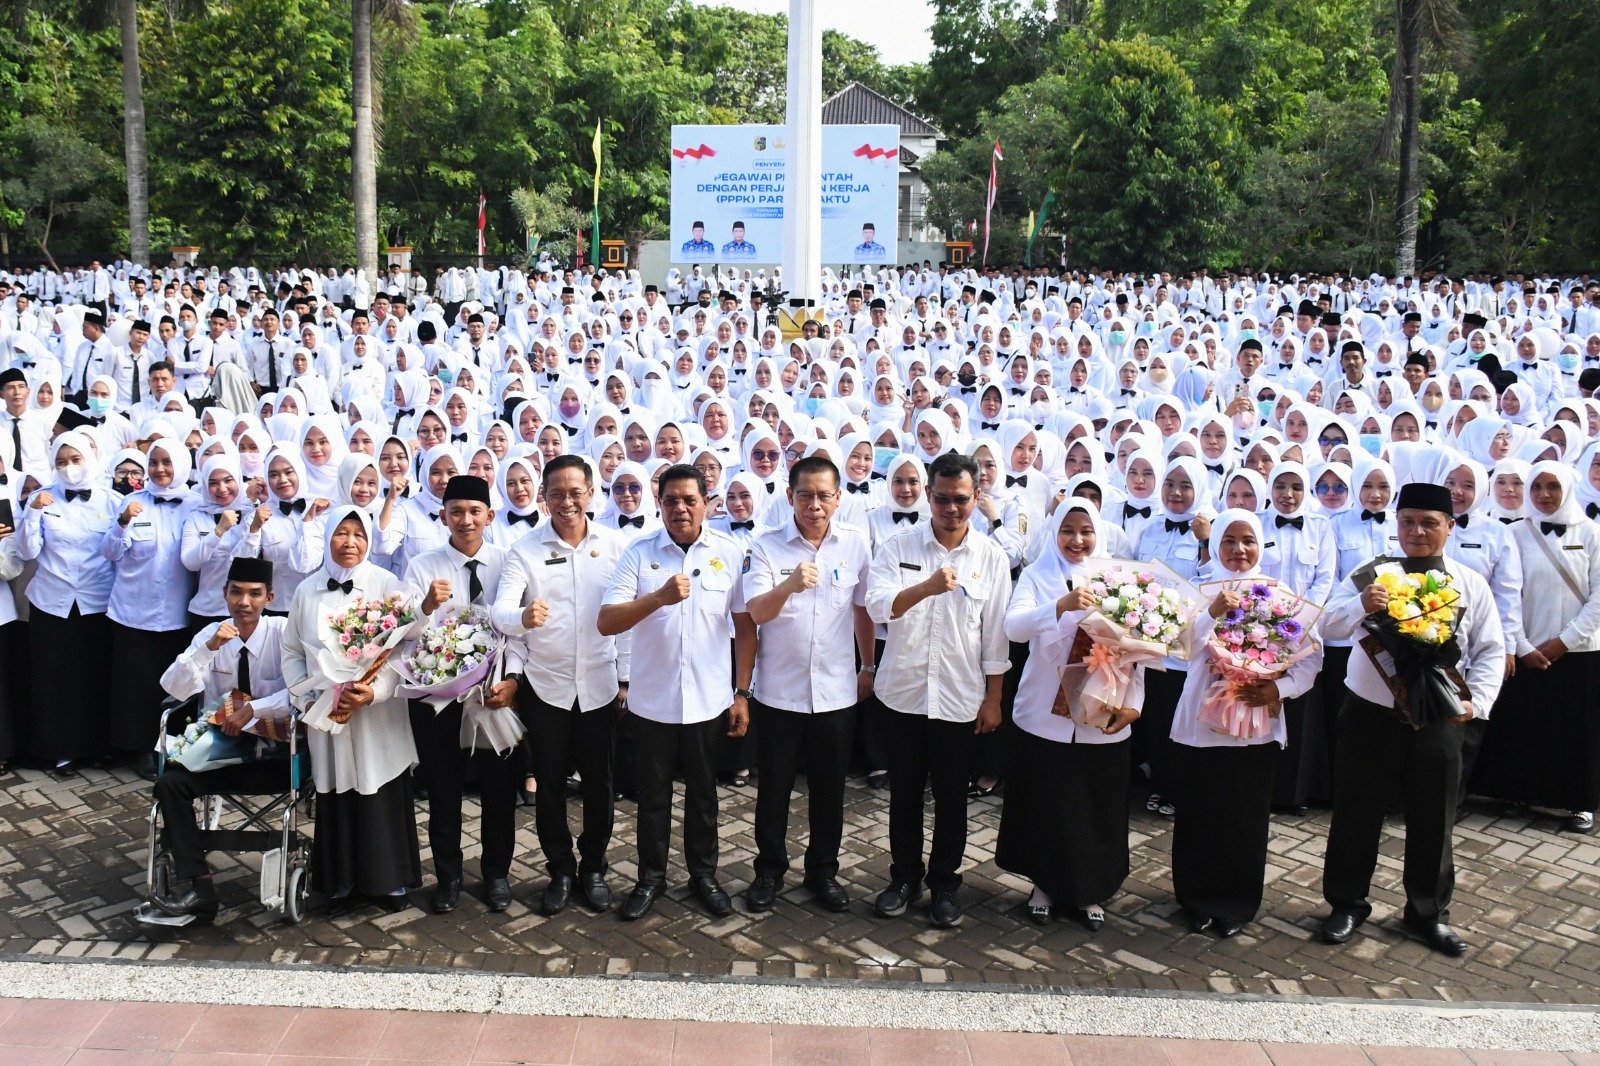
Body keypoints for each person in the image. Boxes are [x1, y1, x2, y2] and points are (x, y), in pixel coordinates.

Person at [1317, 482, 1506, 956]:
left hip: (1439, 716)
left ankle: (1427, 913)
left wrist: (1475, 703)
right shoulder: (1372, 575)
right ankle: (1346, 903)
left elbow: (1489, 649)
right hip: (1370, 713)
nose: (1417, 532)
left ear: (1450, 526)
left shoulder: (1469, 582)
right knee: (1356, 812)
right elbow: (1327, 626)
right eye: (1408, 522)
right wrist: (1361, 605)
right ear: (1395, 523)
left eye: (1429, 523)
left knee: (1434, 818)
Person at [598, 463, 751, 920]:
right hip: (653, 700)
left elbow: (744, 629)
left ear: (707, 501)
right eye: (670, 500)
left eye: (689, 499)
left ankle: (704, 875)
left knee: (704, 797)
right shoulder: (639, 553)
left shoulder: (728, 549)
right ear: (658, 503)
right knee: (653, 797)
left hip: (708, 699)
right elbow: (607, 620)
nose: (680, 508)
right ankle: (651, 878)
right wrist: (658, 598)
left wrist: (742, 692)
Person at [865, 452, 1011, 928]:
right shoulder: (897, 545)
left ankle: (945, 885)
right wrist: (925, 588)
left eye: (962, 500)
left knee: (952, 799)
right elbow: (878, 607)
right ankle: (903, 878)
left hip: (958, 696)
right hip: (903, 692)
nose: (952, 509)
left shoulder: (991, 557)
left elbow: (995, 636)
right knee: (904, 794)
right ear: (928, 495)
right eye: (943, 499)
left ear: (976, 498)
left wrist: (992, 699)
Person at [1168, 509, 1323, 937]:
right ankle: (1195, 897)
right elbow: (1176, 648)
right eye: (1229, 541)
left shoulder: (1281, 595)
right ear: (1215, 544)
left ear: (1261, 546)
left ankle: (1237, 902)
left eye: (1248, 541)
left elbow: (1312, 660)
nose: (1239, 550)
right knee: (1201, 811)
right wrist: (1210, 614)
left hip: (1258, 721)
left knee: (1246, 816)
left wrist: (1277, 691)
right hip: (1203, 720)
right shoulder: (1199, 590)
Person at [736, 455, 875, 914]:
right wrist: (789, 585)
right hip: (779, 691)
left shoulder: (855, 544)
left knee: (829, 790)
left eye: (823, 495)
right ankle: (769, 872)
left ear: (838, 497)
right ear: (790, 496)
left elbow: (861, 609)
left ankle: (823, 872)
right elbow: (755, 613)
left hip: (835, 692)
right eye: (805, 495)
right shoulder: (767, 545)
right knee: (773, 789)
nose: (814, 505)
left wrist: (868, 666)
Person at [492, 453, 629, 916]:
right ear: (543, 497)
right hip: (545, 685)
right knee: (548, 783)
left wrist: (626, 678)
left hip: (600, 682)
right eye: (556, 493)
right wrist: (521, 617)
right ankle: (560, 868)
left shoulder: (615, 546)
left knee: (600, 783)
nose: (566, 501)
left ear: (592, 493)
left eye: (575, 492)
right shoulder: (525, 550)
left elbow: (626, 619)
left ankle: (593, 866)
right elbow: (500, 613)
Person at [995, 499, 1135, 932]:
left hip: (1103, 713)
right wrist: (1059, 604)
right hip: (1045, 715)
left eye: (1086, 530)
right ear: (1054, 533)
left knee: (1094, 806)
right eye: (1068, 530)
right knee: (1048, 803)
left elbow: (1140, 650)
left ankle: (1090, 890)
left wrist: (1136, 706)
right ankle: (1045, 886)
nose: (1077, 540)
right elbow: (1013, 628)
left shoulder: (1123, 582)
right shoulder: (1037, 576)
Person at [282, 504, 422, 916]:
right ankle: (339, 881)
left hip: (376, 714)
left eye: (358, 534)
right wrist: (304, 697)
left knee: (379, 787)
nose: (350, 542)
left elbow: (405, 649)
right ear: (327, 538)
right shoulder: (307, 591)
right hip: (328, 711)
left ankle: (387, 880)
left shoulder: (387, 584)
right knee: (338, 788)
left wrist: (375, 691)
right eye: (341, 533)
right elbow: (291, 651)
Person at [403, 475, 524, 913]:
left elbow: (520, 630)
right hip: (440, 698)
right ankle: (448, 877)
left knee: (499, 789)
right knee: (444, 790)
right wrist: (425, 608)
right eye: (456, 511)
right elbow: (405, 636)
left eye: (475, 511)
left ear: (490, 516)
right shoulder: (422, 567)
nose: (465, 520)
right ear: (443, 516)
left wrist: (512, 681)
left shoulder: (509, 562)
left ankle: (496, 874)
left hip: (495, 694)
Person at [149, 558, 291, 918]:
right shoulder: (211, 635)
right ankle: (200, 887)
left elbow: (304, 691)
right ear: (224, 595)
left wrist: (256, 709)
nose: (244, 602)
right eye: (236, 593)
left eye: (255, 594)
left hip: (275, 759)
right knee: (169, 784)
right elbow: (173, 687)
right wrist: (207, 649)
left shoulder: (283, 632)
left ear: (269, 597)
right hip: (219, 756)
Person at [1473, 461, 1600, 832]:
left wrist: (1566, 640)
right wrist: (1522, 644)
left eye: (1552, 487)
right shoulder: (1514, 533)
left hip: (1580, 650)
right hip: (1527, 649)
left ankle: (1579, 802)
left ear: (1567, 489)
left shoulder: (1591, 533)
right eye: (1537, 487)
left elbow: (1598, 597)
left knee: (1578, 730)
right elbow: (1507, 592)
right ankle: (1517, 792)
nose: (1544, 495)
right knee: (1524, 726)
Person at [16, 431, 118, 774]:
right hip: (51, 602)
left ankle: (96, 746)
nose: (69, 468)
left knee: (93, 676)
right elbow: (27, 552)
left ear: (90, 458)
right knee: (54, 678)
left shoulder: (112, 501)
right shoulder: (42, 498)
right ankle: (58, 749)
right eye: (61, 462)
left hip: (96, 601)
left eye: (75, 460)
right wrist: (31, 513)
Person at [101, 438, 198, 777]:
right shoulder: (131, 502)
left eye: (167, 463)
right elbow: (111, 552)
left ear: (182, 465)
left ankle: (174, 746)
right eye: (154, 463)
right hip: (133, 611)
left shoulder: (196, 504)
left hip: (178, 614)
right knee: (135, 687)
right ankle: (138, 749)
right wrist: (122, 522)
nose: (159, 470)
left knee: (174, 686)